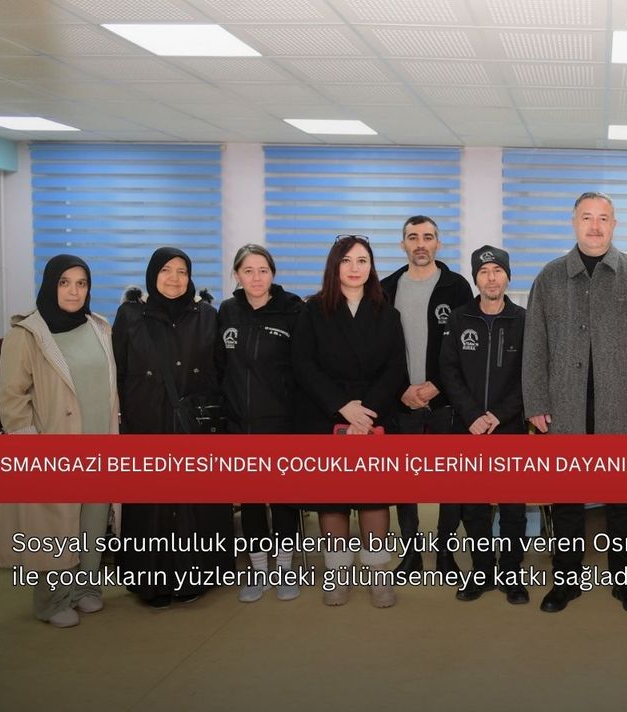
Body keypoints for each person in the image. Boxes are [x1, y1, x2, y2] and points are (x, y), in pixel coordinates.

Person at [523, 191, 627, 614]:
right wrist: (536, 400)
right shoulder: (550, 276)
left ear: (614, 224)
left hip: (619, 406)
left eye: (603, 218)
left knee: (623, 503)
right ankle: (566, 581)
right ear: (574, 222)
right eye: (587, 217)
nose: (595, 226)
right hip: (564, 406)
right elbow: (535, 344)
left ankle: (626, 581)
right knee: (567, 502)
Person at [0, 255, 118, 627]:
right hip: (55, 446)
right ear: (50, 285)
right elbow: (11, 397)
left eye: (81, 283)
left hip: (100, 442)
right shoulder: (27, 334)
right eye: (65, 282)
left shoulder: (99, 326)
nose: (74, 291)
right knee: (55, 527)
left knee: (92, 521)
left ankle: (85, 589)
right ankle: (52, 601)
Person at [113, 248, 234, 608]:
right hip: (147, 422)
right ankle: (152, 583)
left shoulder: (206, 316)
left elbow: (219, 371)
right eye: (166, 270)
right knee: (152, 507)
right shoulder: (130, 316)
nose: (174, 278)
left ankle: (194, 577)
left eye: (182, 271)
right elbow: (118, 372)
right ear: (153, 274)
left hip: (194, 426)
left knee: (194, 503)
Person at [293, 235, 407, 608]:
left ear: (371, 267)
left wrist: (366, 411)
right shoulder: (312, 310)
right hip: (327, 415)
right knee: (334, 502)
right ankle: (338, 575)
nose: (355, 268)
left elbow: (395, 369)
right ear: (334, 266)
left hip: (373, 418)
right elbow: (303, 365)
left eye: (362, 261)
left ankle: (378, 575)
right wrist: (343, 406)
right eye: (346, 261)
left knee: (373, 500)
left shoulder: (387, 313)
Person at [380, 215, 474, 575]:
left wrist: (439, 383)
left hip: (445, 401)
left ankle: (446, 552)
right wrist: (400, 389)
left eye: (428, 237)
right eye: (413, 237)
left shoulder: (457, 287)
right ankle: (412, 552)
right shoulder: (386, 289)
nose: (421, 244)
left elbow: (467, 346)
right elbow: (379, 350)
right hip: (401, 401)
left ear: (438, 243)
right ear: (402, 244)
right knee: (404, 483)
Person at [439, 245, 529, 605]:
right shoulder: (458, 318)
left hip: (509, 427)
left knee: (512, 507)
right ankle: (482, 571)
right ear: (476, 278)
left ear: (508, 276)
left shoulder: (524, 320)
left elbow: (530, 376)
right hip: (468, 426)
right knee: (474, 506)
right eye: (484, 272)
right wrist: (473, 415)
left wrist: (498, 415)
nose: (491, 278)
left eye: (497, 271)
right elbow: (449, 371)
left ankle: (511, 572)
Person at [217, 244, 305, 603]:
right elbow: (219, 368)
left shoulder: (292, 310)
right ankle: (258, 570)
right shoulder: (226, 311)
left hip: (281, 423)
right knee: (252, 502)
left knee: (283, 500)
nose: (256, 277)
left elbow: (304, 369)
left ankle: (284, 568)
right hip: (239, 424)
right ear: (237, 275)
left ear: (273, 273)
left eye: (263, 270)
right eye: (248, 270)